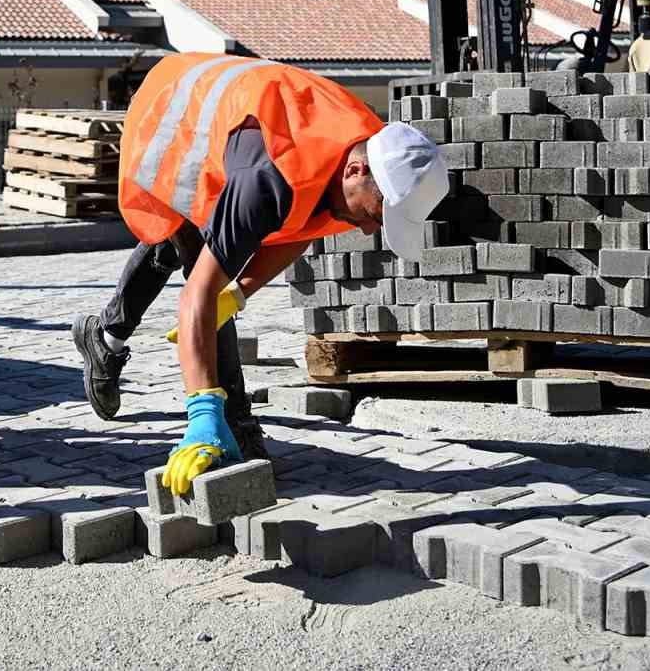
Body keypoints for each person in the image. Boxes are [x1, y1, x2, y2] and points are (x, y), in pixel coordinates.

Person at [71, 53, 450, 496]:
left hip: (239, 127)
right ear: (355, 172)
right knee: (187, 244)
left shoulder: (364, 156)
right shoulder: (267, 181)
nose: (369, 228)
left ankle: (105, 338)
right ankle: (229, 424)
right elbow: (199, 294)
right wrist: (201, 411)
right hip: (175, 119)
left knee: (194, 248)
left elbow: (304, 225)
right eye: (374, 214)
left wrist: (242, 291)